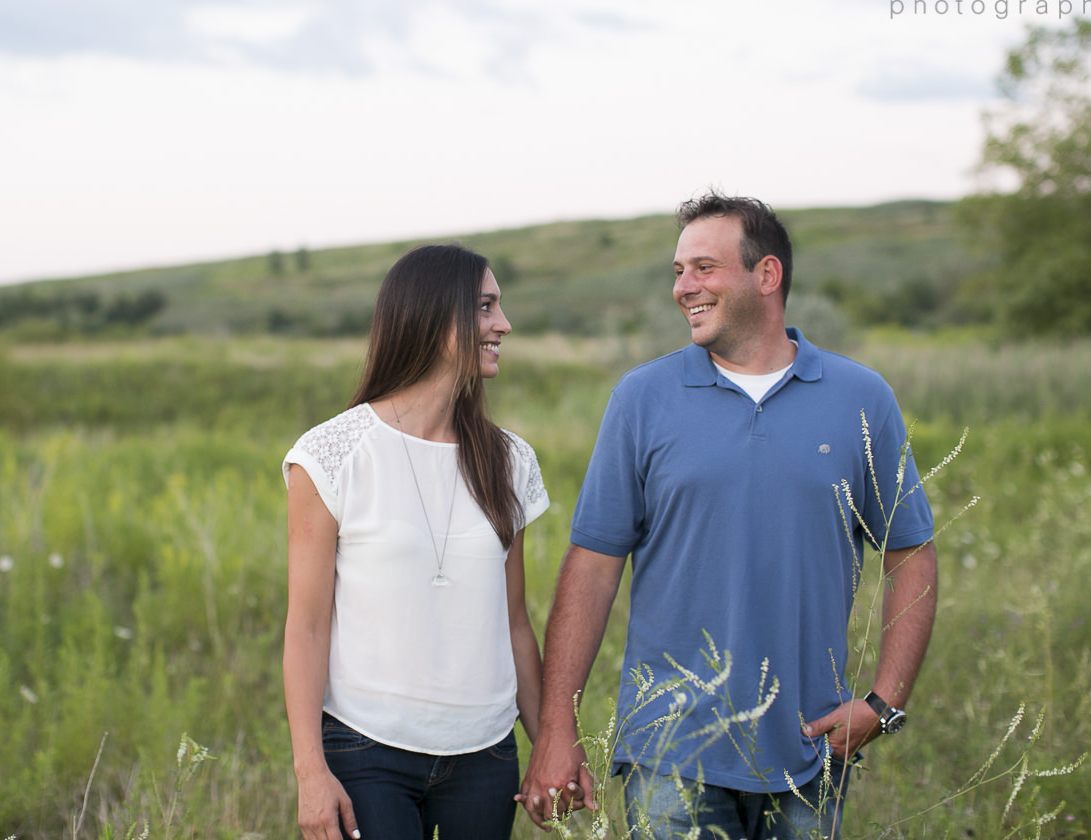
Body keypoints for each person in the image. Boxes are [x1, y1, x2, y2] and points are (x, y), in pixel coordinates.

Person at [519, 194, 938, 840]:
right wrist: (556, 730)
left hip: (810, 749)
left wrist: (884, 705)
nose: (684, 287)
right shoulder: (642, 398)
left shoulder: (862, 399)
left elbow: (910, 551)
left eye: (703, 268)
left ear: (766, 276)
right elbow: (593, 568)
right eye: (679, 271)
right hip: (670, 751)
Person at [282, 243, 549, 840]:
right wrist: (310, 773)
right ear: (433, 317)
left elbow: (514, 623)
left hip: (486, 754)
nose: (503, 324)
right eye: (485, 307)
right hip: (366, 751)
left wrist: (550, 743)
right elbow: (306, 627)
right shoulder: (331, 455)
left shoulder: (510, 462)